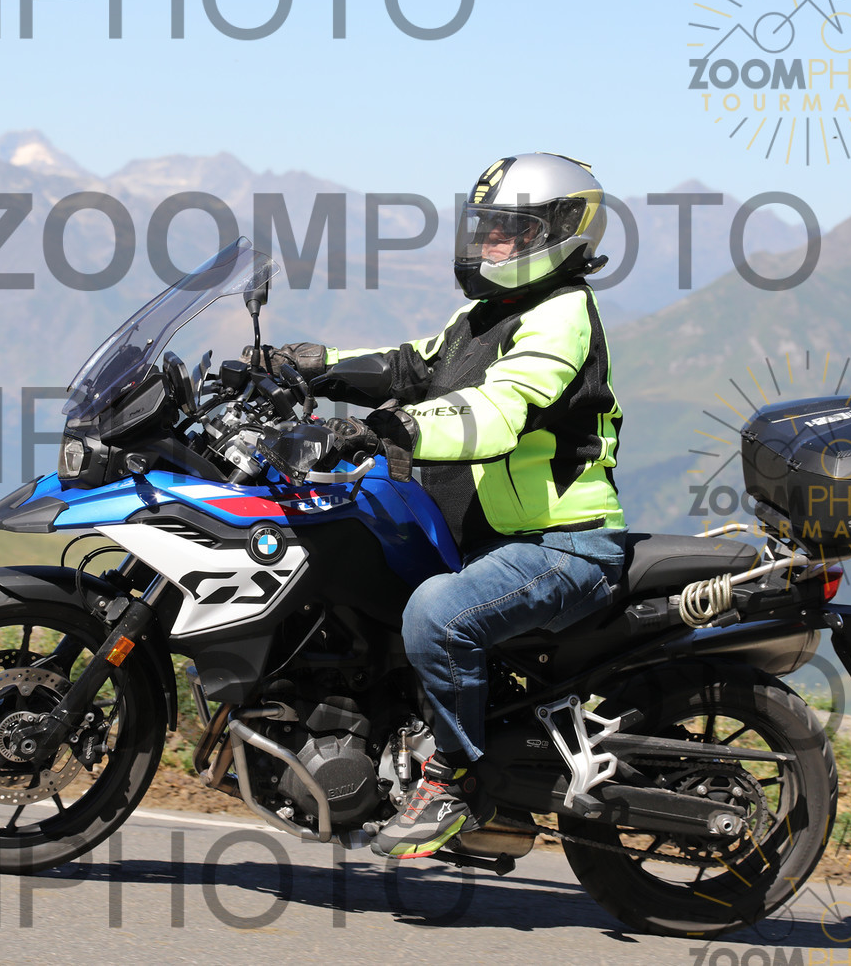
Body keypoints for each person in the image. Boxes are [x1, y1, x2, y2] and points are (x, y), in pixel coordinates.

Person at [252, 153, 627, 859]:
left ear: (561, 231)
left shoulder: (562, 315)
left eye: (511, 230)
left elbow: (498, 411)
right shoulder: (485, 315)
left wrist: (393, 428)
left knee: (436, 613)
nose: (490, 242)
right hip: (491, 543)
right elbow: (410, 366)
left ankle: (453, 780)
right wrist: (313, 365)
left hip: (562, 545)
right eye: (486, 227)